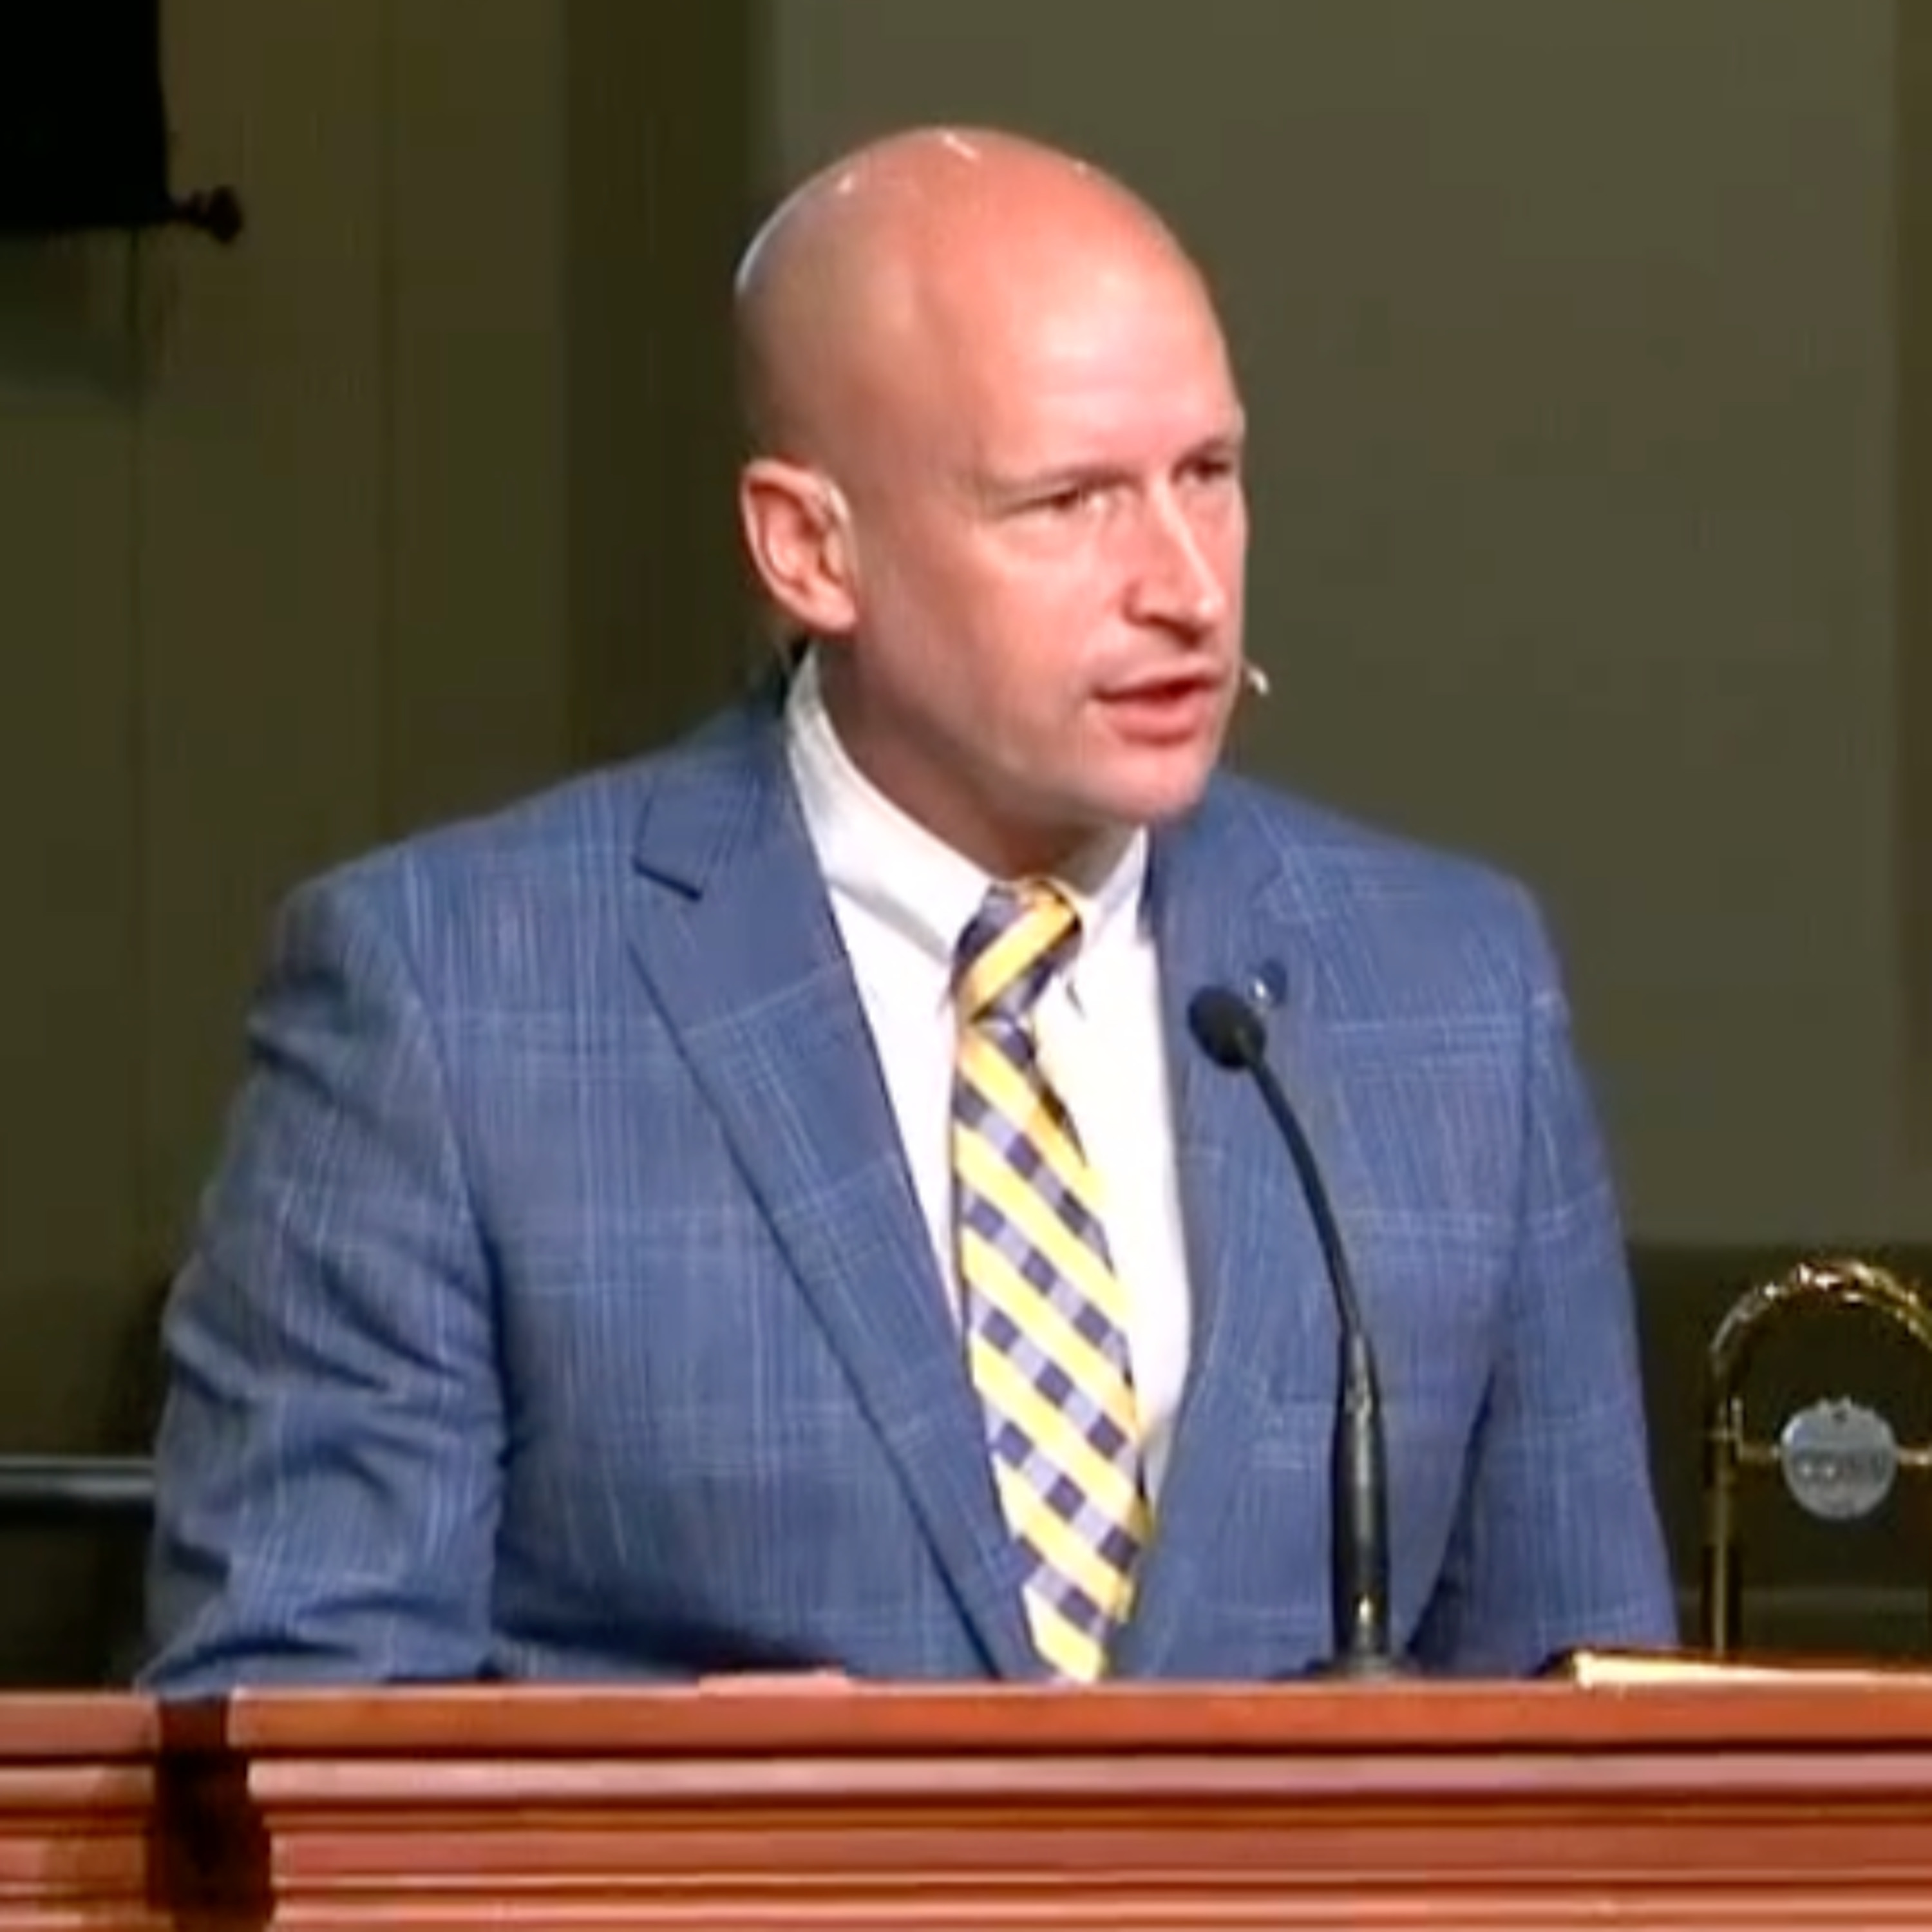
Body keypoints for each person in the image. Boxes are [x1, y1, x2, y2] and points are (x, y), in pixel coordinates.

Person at [140, 126, 1675, 1692]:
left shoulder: (1452, 993)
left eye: (1208, 476)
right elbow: (291, 1718)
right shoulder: (449, 999)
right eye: (1068, 501)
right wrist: (675, 1810)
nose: (1188, 588)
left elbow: (1598, 1737)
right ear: (811, 550)